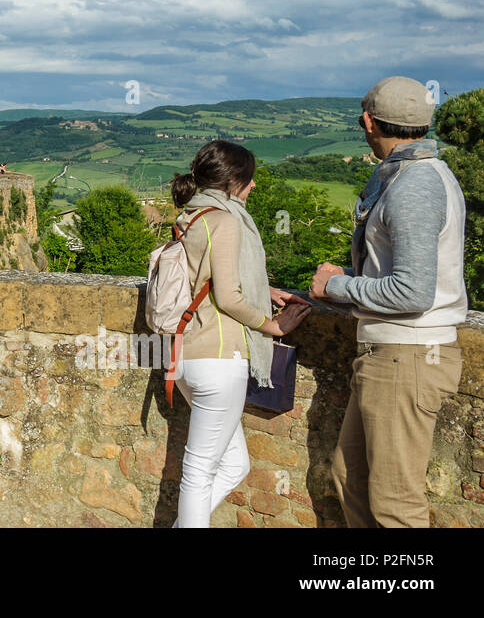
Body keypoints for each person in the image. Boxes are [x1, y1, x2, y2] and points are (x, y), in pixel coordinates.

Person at [313, 77, 467, 528]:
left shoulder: (414, 183)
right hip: (395, 354)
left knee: (395, 504)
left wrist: (335, 288)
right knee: (349, 479)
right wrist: (357, 279)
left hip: (408, 355)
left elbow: (412, 292)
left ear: (367, 122)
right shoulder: (417, 173)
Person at [170, 140, 310, 527]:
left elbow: (209, 274)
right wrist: (272, 324)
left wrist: (261, 290)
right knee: (198, 474)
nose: (252, 188)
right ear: (233, 182)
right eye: (249, 180)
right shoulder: (226, 220)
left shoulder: (191, 217)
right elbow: (229, 297)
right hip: (219, 357)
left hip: (185, 356)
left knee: (235, 465)